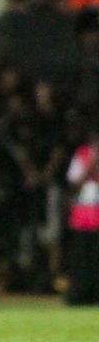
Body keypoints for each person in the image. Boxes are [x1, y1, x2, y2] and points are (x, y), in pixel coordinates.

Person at [65, 129, 99, 305]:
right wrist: (90, 166)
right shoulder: (83, 154)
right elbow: (73, 182)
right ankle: (79, 295)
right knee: (81, 258)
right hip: (84, 216)